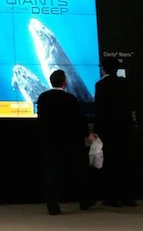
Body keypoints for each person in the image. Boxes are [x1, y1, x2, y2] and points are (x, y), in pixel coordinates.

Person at [36, 69, 96, 215]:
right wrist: (87, 134)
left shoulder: (43, 98)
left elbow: (41, 120)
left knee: (52, 173)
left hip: (50, 141)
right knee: (78, 171)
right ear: (64, 82)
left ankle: (52, 206)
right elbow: (79, 119)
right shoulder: (70, 99)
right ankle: (85, 200)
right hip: (70, 141)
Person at [94, 56, 138, 207]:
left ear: (103, 68)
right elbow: (130, 104)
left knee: (111, 163)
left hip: (108, 130)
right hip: (125, 128)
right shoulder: (124, 83)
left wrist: (96, 129)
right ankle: (128, 197)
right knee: (126, 162)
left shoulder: (100, 85)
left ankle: (113, 198)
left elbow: (99, 109)